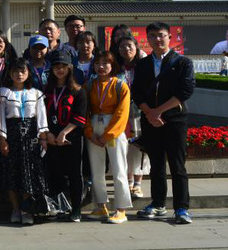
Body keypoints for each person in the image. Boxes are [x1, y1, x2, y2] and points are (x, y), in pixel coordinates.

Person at [133, 22, 195, 224]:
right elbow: (137, 92)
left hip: (175, 119)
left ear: (170, 37)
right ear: (147, 39)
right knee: (156, 164)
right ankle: (158, 203)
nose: (157, 39)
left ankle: (181, 208)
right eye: (152, 36)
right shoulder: (142, 64)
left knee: (177, 165)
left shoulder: (183, 62)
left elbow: (185, 90)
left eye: (161, 35)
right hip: (150, 120)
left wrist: (158, 111)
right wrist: (149, 113)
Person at [0, 58, 49, 225]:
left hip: (31, 138)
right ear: (10, 73)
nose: (19, 74)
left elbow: (41, 117)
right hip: (11, 135)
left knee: (29, 174)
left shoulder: (36, 93)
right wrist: (2, 139)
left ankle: (27, 209)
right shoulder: (3, 92)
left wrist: (43, 138)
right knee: (11, 173)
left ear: (28, 73)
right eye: (15, 71)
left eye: (23, 71)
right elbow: (0, 116)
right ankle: (15, 209)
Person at [83, 51, 132, 224]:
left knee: (119, 169)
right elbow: (84, 110)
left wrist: (108, 135)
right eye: (97, 63)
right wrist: (89, 133)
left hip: (114, 128)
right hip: (94, 125)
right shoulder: (89, 85)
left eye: (105, 63)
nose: (101, 67)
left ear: (113, 65)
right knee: (96, 170)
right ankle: (101, 206)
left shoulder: (120, 86)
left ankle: (121, 209)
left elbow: (122, 113)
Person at [44, 50, 87, 222]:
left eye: (63, 66)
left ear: (70, 68)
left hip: (72, 138)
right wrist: (48, 133)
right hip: (51, 138)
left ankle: (76, 209)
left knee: (75, 173)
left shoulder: (78, 91)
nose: (60, 70)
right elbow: (41, 114)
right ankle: (58, 207)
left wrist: (63, 133)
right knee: (55, 172)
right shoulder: (47, 90)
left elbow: (80, 116)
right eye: (56, 66)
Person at [115, 35, 149, 199]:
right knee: (124, 148)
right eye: (122, 46)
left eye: (129, 46)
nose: (126, 49)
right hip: (120, 114)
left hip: (140, 113)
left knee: (139, 148)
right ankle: (128, 181)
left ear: (136, 48)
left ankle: (137, 184)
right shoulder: (115, 68)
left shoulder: (143, 67)